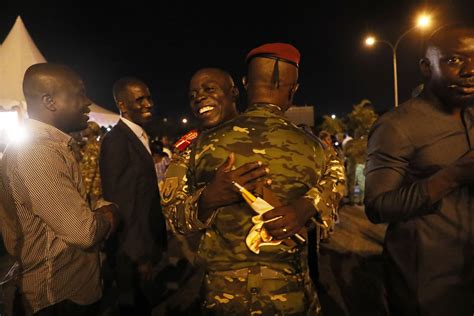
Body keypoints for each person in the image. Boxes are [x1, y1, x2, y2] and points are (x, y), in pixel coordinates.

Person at [164, 43, 343, 315]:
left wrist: (206, 201)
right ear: (293, 90)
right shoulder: (317, 148)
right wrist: (306, 206)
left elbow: (174, 218)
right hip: (288, 293)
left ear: (245, 83)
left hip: (222, 297)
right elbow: (337, 181)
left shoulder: (198, 147)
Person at [365, 24, 474, 315]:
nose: (470, 70)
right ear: (426, 67)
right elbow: (377, 207)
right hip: (426, 286)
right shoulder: (397, 126)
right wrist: (453, 176)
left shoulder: (471, 116)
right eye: (454, 60)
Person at [0, 63, 118, 316]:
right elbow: (83, 232)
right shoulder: (38, 152)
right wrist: (110, 215)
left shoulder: (51, 147)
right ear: (50, 101)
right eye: (80, 93)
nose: (88, 102)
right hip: (57, 297)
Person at [99, 77, 167, 315]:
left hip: (145, 244)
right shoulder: (116, 142)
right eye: (140, 99)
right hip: (132, 253)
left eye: (149, 97)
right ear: (123, 105)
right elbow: (122, 204)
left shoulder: (139, 136)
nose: (149, 104)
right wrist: (139, 257)